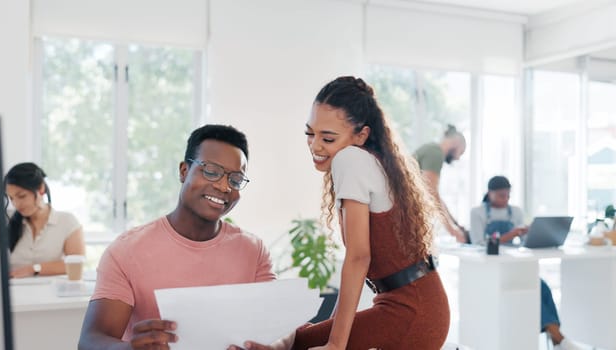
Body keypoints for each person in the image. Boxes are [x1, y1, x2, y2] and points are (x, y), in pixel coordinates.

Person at [236, 76, 450, 350]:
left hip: (410, 312)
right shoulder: (374, 160)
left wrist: (336, 344)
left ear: (361, 135)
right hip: (419, 306)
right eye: (309, 134)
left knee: (295, 344)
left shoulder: (351, 159)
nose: (315, 145)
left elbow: (359, 257)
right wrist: (332, 335)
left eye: (327, 138)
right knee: (297, 341)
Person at [78, 124, 276, 350]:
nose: (223, 186)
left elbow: (277, 327)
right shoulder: (127, 250)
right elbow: (90, 341)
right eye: (211, 171)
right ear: (184, 171)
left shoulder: (254, 250)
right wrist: (130, 348)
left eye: (235, 179)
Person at [470, 175, 581, 350]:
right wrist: (510, 235)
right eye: (501, 195)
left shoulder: (516, 212)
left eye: (507, 195)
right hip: (491, 270)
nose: (505, 199)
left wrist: (530, 234)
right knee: (533, 291)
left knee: (542, 287)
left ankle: (557, 338)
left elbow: (521, 243)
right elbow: (478, 243)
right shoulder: (477, 213)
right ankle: (559, 339)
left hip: (514, 265)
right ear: (489, 194)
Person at [4, 162, 85, 278]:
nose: (16, 204)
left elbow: (77, 264)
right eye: (11, 198)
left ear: (41, 189)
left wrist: (33, 269)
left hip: (51, 292)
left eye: (22, 196)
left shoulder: (67, 221)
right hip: (12, 292)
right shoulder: (6, 220)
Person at [413, 125, 468, 243]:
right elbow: (431, 192)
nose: (458, 158)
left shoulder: (431, 149)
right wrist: (453, 231)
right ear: (456, 142)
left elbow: (435, 195)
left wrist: (454, 223)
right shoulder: (435, 152)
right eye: (461, 152)